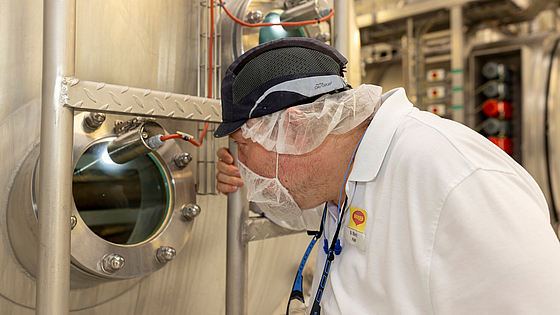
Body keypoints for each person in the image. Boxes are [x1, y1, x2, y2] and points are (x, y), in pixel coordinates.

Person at [214, 37, 560, 314]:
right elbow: (294, 207)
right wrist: (250, 180)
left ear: (294, 129)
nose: (240, 161)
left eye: (243, 147)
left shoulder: (458, 181)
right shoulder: (342, 175)